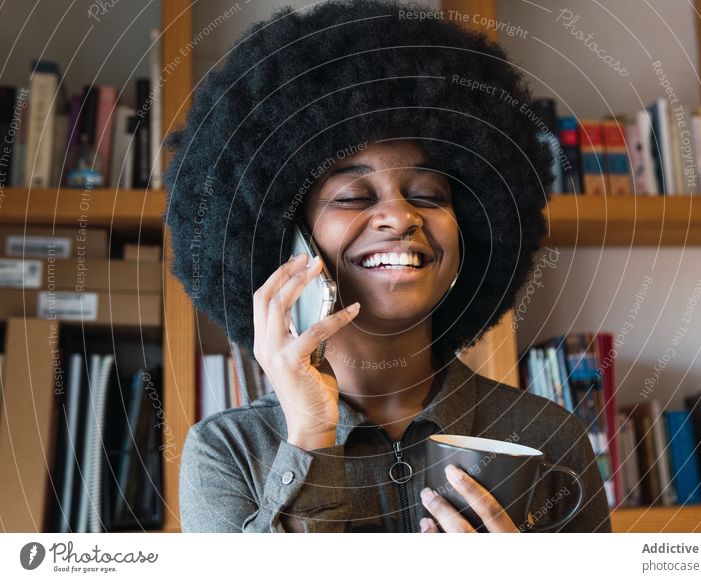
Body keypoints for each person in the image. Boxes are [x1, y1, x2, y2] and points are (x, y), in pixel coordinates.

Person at [164, 0, 612, 533]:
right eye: (354, 196)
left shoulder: (545, 436)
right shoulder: (229, 453)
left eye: (427, 193)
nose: (401, 215)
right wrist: (309, 436)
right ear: (287, 241)